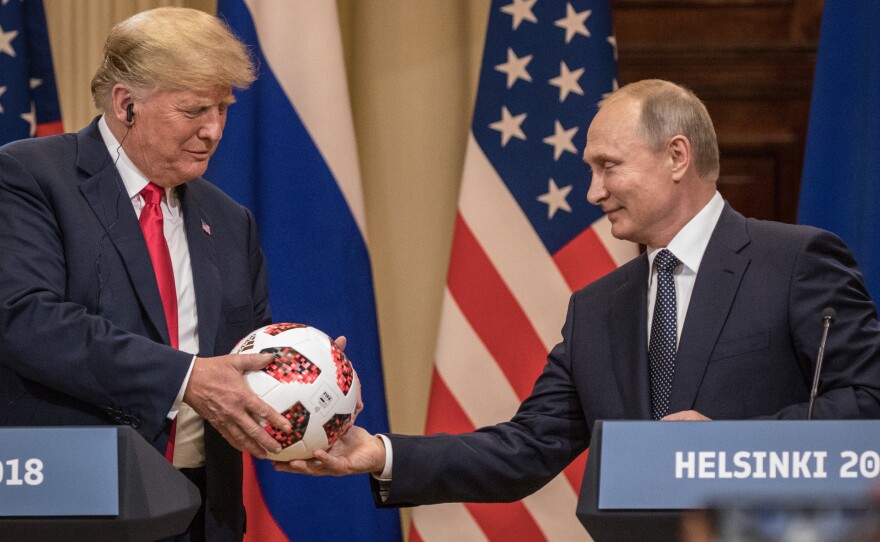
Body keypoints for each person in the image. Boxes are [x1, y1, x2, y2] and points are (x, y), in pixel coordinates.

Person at [278, 80, 880, 511]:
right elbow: (525, 448)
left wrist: (727, 446)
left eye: (608, 166)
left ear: (677, 156)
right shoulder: (598, 308)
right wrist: (378, 453)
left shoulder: (796, 261)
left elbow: (869, 401)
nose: (593, 192)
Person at [0, 7, 293, 541]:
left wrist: (305, 379)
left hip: (203, 514)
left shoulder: (231, 222)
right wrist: (185, 377)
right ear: (125, 103)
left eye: (223, 108)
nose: (214, 130)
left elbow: (245, 355)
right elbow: (27, 319)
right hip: (74, 504)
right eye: (194, 110)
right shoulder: (31, 176)